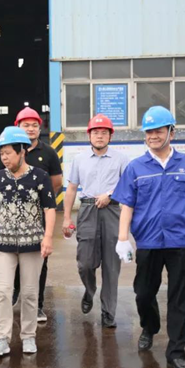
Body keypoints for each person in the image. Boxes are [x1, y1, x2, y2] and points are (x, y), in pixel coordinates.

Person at [112, 106, 185, 368]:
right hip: (148, 242)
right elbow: (127, 205)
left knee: (178, 299)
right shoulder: (136, 167)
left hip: (180, 242)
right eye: (148, 132)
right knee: (144, 293)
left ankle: (176, 353)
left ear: (171, 132)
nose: (153, 136)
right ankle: (150, 326)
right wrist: (123, 239)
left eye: (158, 131)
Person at [0, 127, 56, 357]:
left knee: (29, 292)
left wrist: (48, 238)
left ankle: (28, 336)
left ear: (22, 151)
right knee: (3, 291)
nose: (4, 158)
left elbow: (49, 208)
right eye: (1, 154)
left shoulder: (40, 177)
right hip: (3, 243)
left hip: (32, 244)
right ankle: (1, 339)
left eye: (8, 153)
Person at [62, 114, 129, 329]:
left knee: (111, 265)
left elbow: (128, 186)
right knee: (85, 263)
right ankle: (89, 290)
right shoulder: (79, 160)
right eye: (96, 132)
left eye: (104, 133)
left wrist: (110, 194)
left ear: (110, 136)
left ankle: (108, 312)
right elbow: (71, 189)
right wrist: (66, 218)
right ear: (89, 135)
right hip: (88, 210)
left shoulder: (121, 159)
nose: (100, 136)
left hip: (112, 211)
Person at [0, 107, 62, 322]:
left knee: (38, 262)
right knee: (12, 257)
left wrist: (40, 200)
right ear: (18, 126)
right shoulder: (7, 152)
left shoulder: (49, 152)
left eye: (35, 125)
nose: (31, 129)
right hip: (10, 218)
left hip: (37, 217)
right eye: (26, 125)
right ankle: (16, 292)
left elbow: (56, 182)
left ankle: (38, 305)